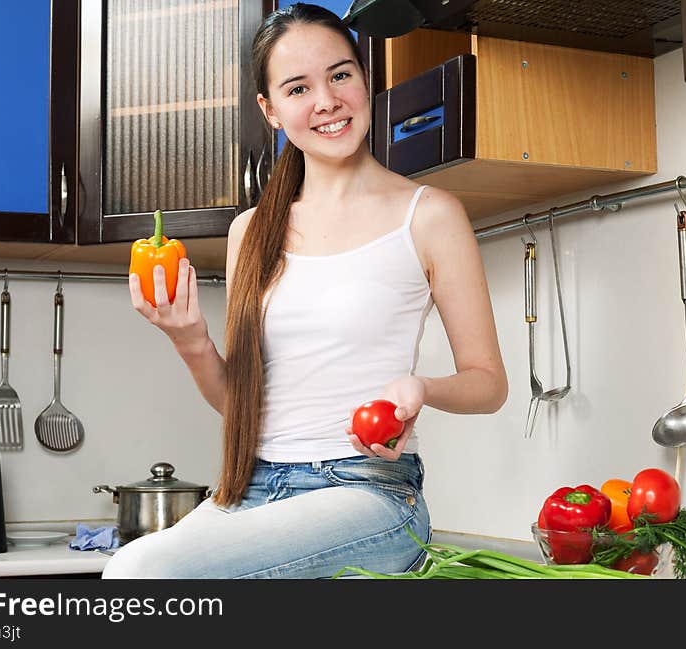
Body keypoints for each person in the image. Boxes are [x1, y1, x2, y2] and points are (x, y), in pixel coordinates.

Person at [103, 2, 507, 579]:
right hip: (253, 489)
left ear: (365, 78)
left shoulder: (429, 215)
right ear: (270, 110)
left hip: (370, 495)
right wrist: (189, 340)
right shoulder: (252, 231)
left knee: (146, 574)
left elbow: (488, 384)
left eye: (340, 74)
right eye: (298, 88)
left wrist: (419, 387)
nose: (326, 101)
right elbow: (239, 404)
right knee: (128, 573)